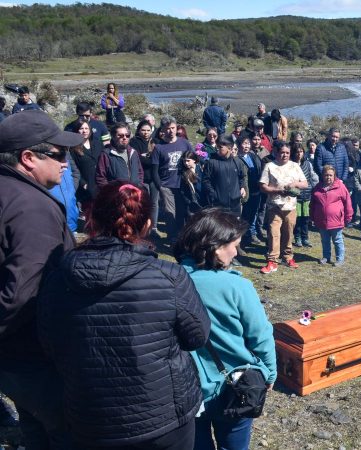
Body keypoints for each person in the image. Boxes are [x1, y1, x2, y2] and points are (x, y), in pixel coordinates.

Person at [37, 181, 211, 449]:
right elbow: (197, 336)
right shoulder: (169, 277)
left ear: (92, 218)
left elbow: (49, 344)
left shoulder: (58, 278)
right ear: (148, 225)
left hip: (91, 415)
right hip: (162, 415)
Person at [0, 110, 81, 449]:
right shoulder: (32, 208)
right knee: (66, 435)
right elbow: (25, 292)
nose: (66, 163)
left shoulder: (7, 192)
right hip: (36, 357)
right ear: (28, 158)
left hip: (14, 359)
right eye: (59, 154)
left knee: (34, 431)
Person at [173, 209, 277, 450]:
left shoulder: (169, 281)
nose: (236, 252)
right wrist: (269, 373)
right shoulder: (237, 286)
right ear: (216, 247)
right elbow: (260, 336)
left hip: (187, 388)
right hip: (236, 385)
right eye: (235, 245)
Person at [259, 142, 308, 274]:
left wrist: (295, 184)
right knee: (274, 232)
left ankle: (288, 257)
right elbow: (262, 186)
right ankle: (272, 261)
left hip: (290, 206)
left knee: (288, 232)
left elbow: (305, 183)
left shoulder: (295, 166)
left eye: (287, 152)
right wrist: (276, 190)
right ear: (276, 152)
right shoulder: (269, 166)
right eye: (282, 152)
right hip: (274, 205)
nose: (284, 154)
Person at [152, 116, 194, 240]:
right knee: (171, 214)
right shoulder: (159, 147)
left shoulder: (184, 143)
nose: (171, 131)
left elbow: (194, 159)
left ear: (176, 127)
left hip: (183, 184)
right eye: (167, 129)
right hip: (167, 185)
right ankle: (172, 238)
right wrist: (160, 187)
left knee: (182, 212)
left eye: (173, 128)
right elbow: (155, 171)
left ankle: (182, 237)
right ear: (163, 130)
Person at [310, 165, 353, 266]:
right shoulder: (317, 188)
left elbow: (348, 202)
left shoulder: (340, 187)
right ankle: (326, 257)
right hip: (322, 221)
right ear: (322, 176)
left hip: (336, 220)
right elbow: (312, 204)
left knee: (338, 240)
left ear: (334, 176)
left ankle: (340, 259)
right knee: (325, 240)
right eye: (326, 175)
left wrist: (348, 216)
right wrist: (312, 217)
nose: (328, 177)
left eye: (330, 175)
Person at [202, 135, 245, 216]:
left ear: (229, 148)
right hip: (218, 205)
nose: (217, 148)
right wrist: (214, 195)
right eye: (217, 146)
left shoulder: (237, 162)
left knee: (234, 227)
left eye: (220, 147)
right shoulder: (212, 162)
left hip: (235, 204)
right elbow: (205, 181)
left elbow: (241, 177)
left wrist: (242, 187)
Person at [131, 119, 160, 235]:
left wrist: (148, 158)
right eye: (143, 130)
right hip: (141, 177)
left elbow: (158, 159)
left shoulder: (156, 141)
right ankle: (142, 225)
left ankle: (153, 226)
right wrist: (151, 158)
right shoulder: (133, 142)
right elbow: (137, 159)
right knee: (142, 203)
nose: (146, 132)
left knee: (154, 203)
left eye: (148, 130)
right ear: (138, 130)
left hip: (154, 177)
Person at [95, 122, 144, 188]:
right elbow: (100, 178)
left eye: (127, 135)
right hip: (116, 195)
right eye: (120, 135)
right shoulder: (106, 154)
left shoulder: (133, 152)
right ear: (113, 136)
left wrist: (139, 186)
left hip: (134, 194)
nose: (124, 138)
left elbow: (140, 172)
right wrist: (110, 193)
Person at [238, 134, 265, 245]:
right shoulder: (237, 158)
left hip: (255, 190)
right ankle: (243, 236)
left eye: (248, 143)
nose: (247, 146)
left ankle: (250, 234)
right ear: (239, 145)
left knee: (253, 213)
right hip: (245, 190)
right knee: (244, 214)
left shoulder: (253, 156)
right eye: (244, 143)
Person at [69, 119, 104, 204]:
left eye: (86, 128)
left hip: (101, 183)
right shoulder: (73, 149)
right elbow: (73, 169)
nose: (84, 131)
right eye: (81, 128)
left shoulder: (98, 144)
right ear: (76, 130)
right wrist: (83, 184)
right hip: (87, 187)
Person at [290, 142, 318, 247]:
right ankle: (297, 238)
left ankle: (305, 237)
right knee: (297, 219)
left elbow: (313, 177)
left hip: (307, 195)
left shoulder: (307, 164)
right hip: (295, 196)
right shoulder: (291, 165)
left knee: (306, 219)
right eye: (297, 152)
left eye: (301, 151)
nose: (299, 154)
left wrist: (316, 189)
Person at [178, 150, 204, 222]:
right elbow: (183, 191)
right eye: (184, 161)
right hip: (192, 203)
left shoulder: (202, 169)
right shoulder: (184, 174)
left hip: (203, 200)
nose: (186, 163)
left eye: (188, 161)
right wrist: (189, 201)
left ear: (194, 160)